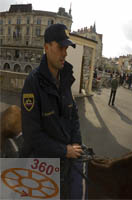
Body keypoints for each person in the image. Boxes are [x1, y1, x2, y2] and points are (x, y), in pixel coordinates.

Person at [20, 24, 85, 199]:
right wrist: (65, 150)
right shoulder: (32, 84)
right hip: (43, 161)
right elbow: (32, 135)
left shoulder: (65, 77)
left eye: (67, 48)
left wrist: (76, 147)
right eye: (60, 47)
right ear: (46, 47)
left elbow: (73, 115)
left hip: (67, 156)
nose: (65, 53)